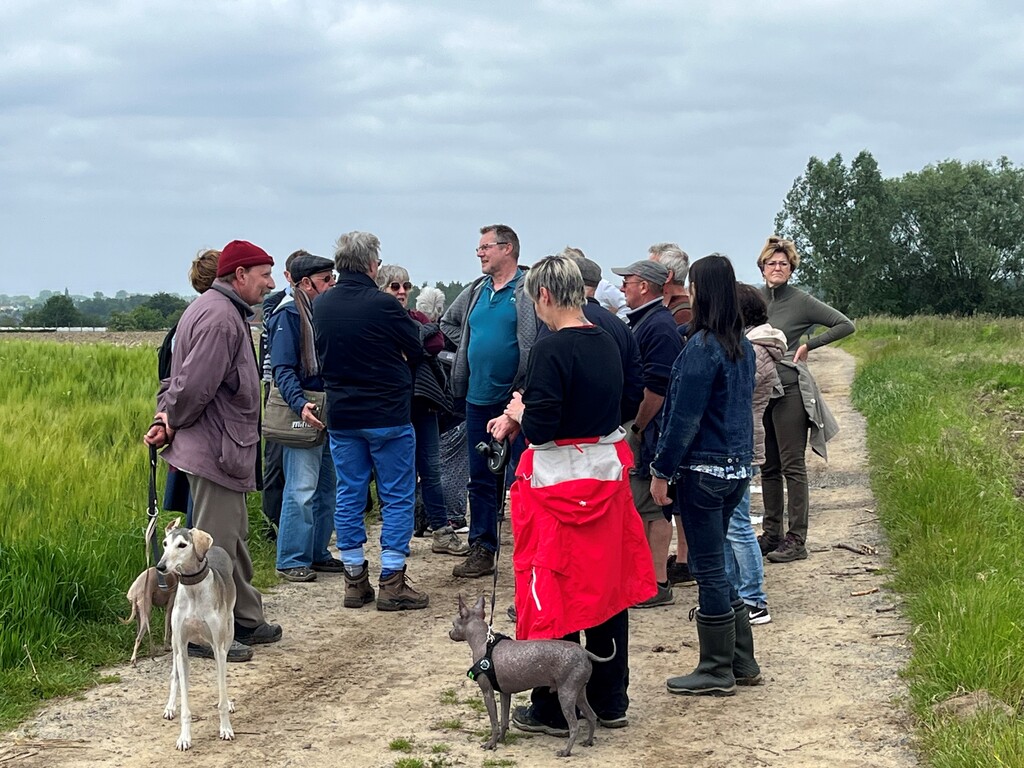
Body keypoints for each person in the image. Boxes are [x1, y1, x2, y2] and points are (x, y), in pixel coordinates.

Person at [485, 255, 655, 734]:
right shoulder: (608, 338)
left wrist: (520, 407)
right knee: (606, 588)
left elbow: (541, 428)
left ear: (543, 295)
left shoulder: (548, 350)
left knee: (550, 591)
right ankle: (610, 699)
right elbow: (627, 402)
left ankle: (549, 710)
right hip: (602, 475)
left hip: (555, 484)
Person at [144, 240, 282, 661]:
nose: (270, 283)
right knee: (212, 546)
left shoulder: (215, 310)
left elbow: (181, 380)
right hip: (214, 448)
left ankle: (244, 617)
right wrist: (170, 418)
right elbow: (194, 386)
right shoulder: (221, 318)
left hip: (219, 447)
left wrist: (167, 417)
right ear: (239, 275)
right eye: (263, 275)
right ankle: (206, 634)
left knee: (231, 539)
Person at [649, 253, 759, 696]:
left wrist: (661, 470)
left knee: (708, 566)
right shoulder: (741, 345)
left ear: (702, 291)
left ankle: (716, 668)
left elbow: (683, 419)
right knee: (720, 564)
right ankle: (741, 659)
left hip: (702, 471)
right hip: (735, 468)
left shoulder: (701, 347)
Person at [314, 231, 429, 611]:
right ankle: (392, 580)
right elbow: (416, 349)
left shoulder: (324, 304)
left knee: (349, 493)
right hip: (387, 413)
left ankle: (354, 579)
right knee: (396, 494)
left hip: (343, 414)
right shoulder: (383, 305)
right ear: (371, 264)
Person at [441, 224, 538, 580]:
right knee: (481, 477)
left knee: (525, 476)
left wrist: (524, 381)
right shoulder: (476, 291)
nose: (479, 253)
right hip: (477, 398)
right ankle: (482, 548)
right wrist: (467, 347)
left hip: (516, 399)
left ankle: (534, 552)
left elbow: (539, 338)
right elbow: (448, 324)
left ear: (508, 248)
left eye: (485, 247)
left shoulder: (528, 290)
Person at [757, 236, 853, 563]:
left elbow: (845, 324)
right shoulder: (755, 298)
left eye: (783, 264)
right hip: (760, 391)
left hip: (790, 390)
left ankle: (796, 539)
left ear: (791, 269)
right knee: (766, 466)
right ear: (763, 266)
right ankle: (771, 534)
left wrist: (809, 345)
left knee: (791, 465)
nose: (777, 268)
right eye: (772, 263)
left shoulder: (801, 301)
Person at [376, 264, 468, 556]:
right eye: (394, 286)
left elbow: (437, 341)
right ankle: (398, 537)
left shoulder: (417, 317)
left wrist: (409, 345)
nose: (402, 292)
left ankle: (441, 530)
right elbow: (410, 344)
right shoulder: (375, 319)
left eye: (406, 286)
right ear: (381, 288)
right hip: (391, 405)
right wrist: (415, 341)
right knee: (397, 473)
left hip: (423, 403)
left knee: (431, 469)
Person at [609, 259, 682, 608]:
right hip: (647, 430)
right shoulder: (648, 321)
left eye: (629, 280)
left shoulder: (658, 326)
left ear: (646, 287)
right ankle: (649, 581)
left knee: (653, 508)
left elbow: (657, 388)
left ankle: (656, 584)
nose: (623, 286)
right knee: (645, 507)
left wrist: (635, 428)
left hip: (650, 433)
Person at [267, 253, 342, 583]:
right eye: (326, 279)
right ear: (305, 283)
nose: (332, 284)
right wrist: (300, 404)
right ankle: (291, 558)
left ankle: (317, 552)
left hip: (328, 409)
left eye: (332, 277)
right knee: (301, 487)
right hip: (306, 408)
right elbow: (282, 369)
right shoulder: (288, 316)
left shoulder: (323, 314)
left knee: (328, 486)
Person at [727, 284, 787, 625]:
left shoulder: (756, 351)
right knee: (734, 524)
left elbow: (740, 392)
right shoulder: (759, 346)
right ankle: (741, 596)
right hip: (746, 438)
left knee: (738, 525)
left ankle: (754, 599)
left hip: (744, 440)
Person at [160, 248, 220, 527]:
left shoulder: (187, 320)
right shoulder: (210, 322)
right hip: (198, 432)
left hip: (187, 430)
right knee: (202, 512)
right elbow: (189, 386)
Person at [647, 242, 694, 586]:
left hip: (675, 415)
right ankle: (681, 558)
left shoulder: (682, 314)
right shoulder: (671, 310)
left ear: (667, 275)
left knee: (678, 496)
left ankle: (686, 559)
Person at [260, 249, 306, 540]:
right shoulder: (278, 305)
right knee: (275, 458)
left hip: (302, 387)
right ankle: (271, 522)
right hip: (274, 386)